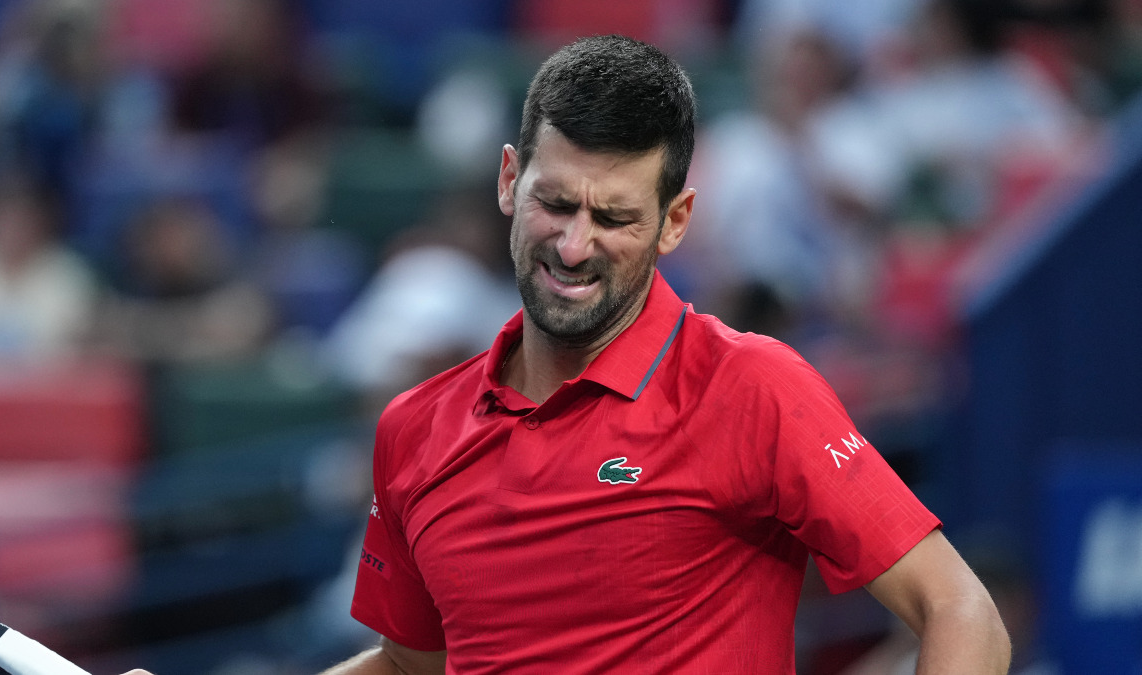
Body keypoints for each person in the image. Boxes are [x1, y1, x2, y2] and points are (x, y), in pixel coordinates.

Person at [125, 34, 1010, 674]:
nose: (576, 245)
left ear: (675, 222)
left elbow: (960, 611)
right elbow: (410, 670)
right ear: (509, 180)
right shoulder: (414, 429)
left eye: (616, 216)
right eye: (555, 203)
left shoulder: (753, 386)